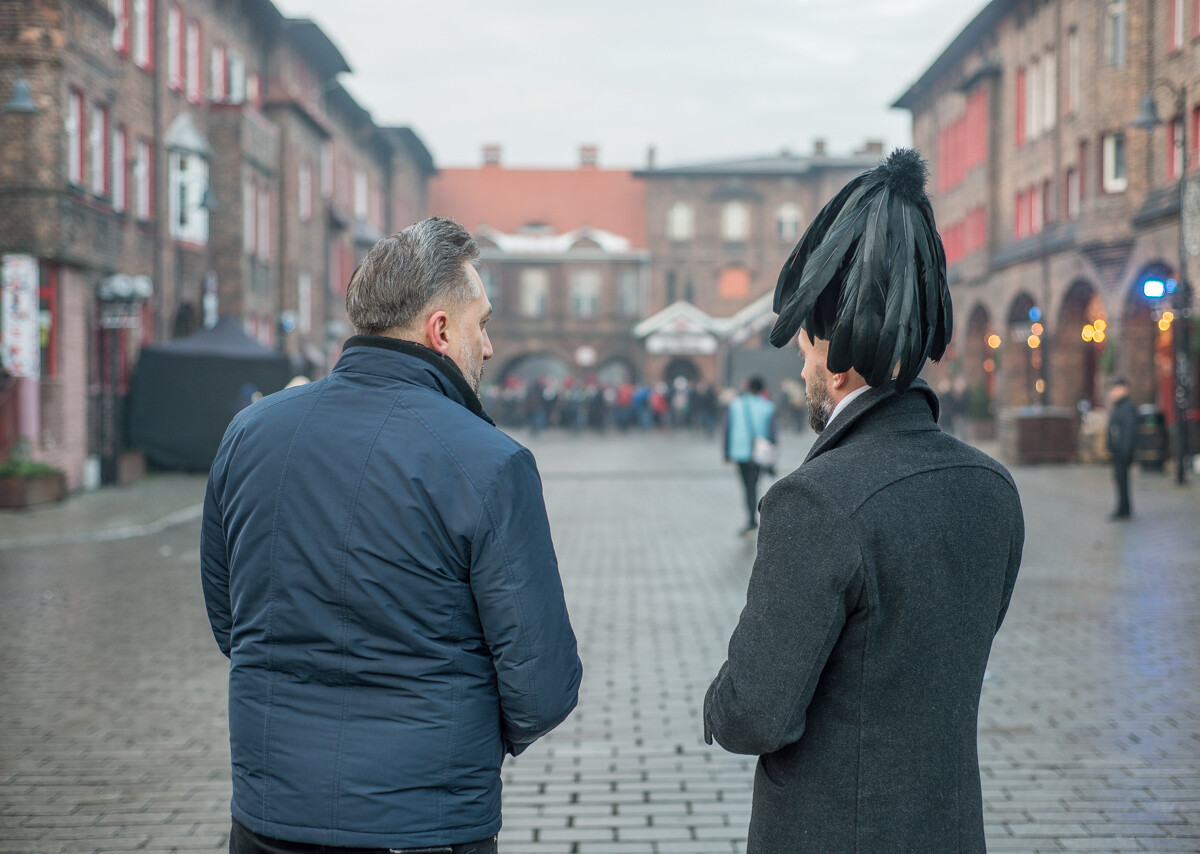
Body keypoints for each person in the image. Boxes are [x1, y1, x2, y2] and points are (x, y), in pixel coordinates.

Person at [201, 217, 582, 854]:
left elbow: (228, 619)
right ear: (440, 329)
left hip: (270, 815)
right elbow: (541, 683)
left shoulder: (249, 433)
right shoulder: (490, 461)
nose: (488, 346)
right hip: (423, 823)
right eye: (481, 323)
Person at [704, 149, 1025, 853]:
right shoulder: (993, 490)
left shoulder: (814, 502)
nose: (802, 366)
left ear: (839, 357)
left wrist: (721, 696)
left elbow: (753, 714)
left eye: (808, 348)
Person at [723, 376, 777, 535]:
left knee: (747, 486)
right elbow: (773, 435)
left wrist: (726, 452)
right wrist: (771, 460)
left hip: (739, 452)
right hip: (758, 454)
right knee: (753, 485)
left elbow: (727, 429)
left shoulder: (735, 404)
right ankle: (753, 519)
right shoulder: (768, 406)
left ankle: (751, 520)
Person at [1106, 377, 1138, 519]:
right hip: (1117, 450)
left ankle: (1124, 509)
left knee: (1122, 480)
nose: (1112, 393)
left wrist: (1126, 450)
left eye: (1115, 389)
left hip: (1122, 452)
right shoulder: (1118, 406)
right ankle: (1123, 507)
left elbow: (1129, 430)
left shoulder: (1127, 407)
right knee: (1119, 480)